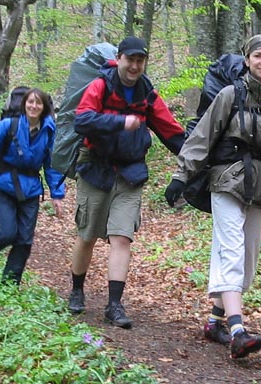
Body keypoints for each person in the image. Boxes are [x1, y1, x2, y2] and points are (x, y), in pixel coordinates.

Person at [164, 34, 261, 360]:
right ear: (247, 60)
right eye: (258, 56)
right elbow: (203, 136)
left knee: (247, 260)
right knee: (230, 250)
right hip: (226, 180)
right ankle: (238, 330)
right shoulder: (230, 94)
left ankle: (215, 321)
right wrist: (179, 176)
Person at [66, 36, 185, 328]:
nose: (134, 66)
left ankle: (114, 305)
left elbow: (171, 132)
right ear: (119, 59)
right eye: (130, 60)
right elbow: (81, 121)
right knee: (87, 236)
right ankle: (77, 290)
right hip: (96, 170)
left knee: (121, 237)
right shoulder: (100, 86)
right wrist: (120, 122)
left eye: (139, 61)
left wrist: (198, 157)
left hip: (130, 174)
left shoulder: (148, 95)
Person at [0, 88, 65, 284]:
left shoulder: (48, 130)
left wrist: (57, 194)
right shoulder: (8, 125)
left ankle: (9, 286)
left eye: (38, 103)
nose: (33, 106)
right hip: (5, 184)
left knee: (24, 241)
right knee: (7, 233)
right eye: (30, 102)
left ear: (44, 108)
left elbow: (52, 164)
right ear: (24, 104)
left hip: (31, 190)